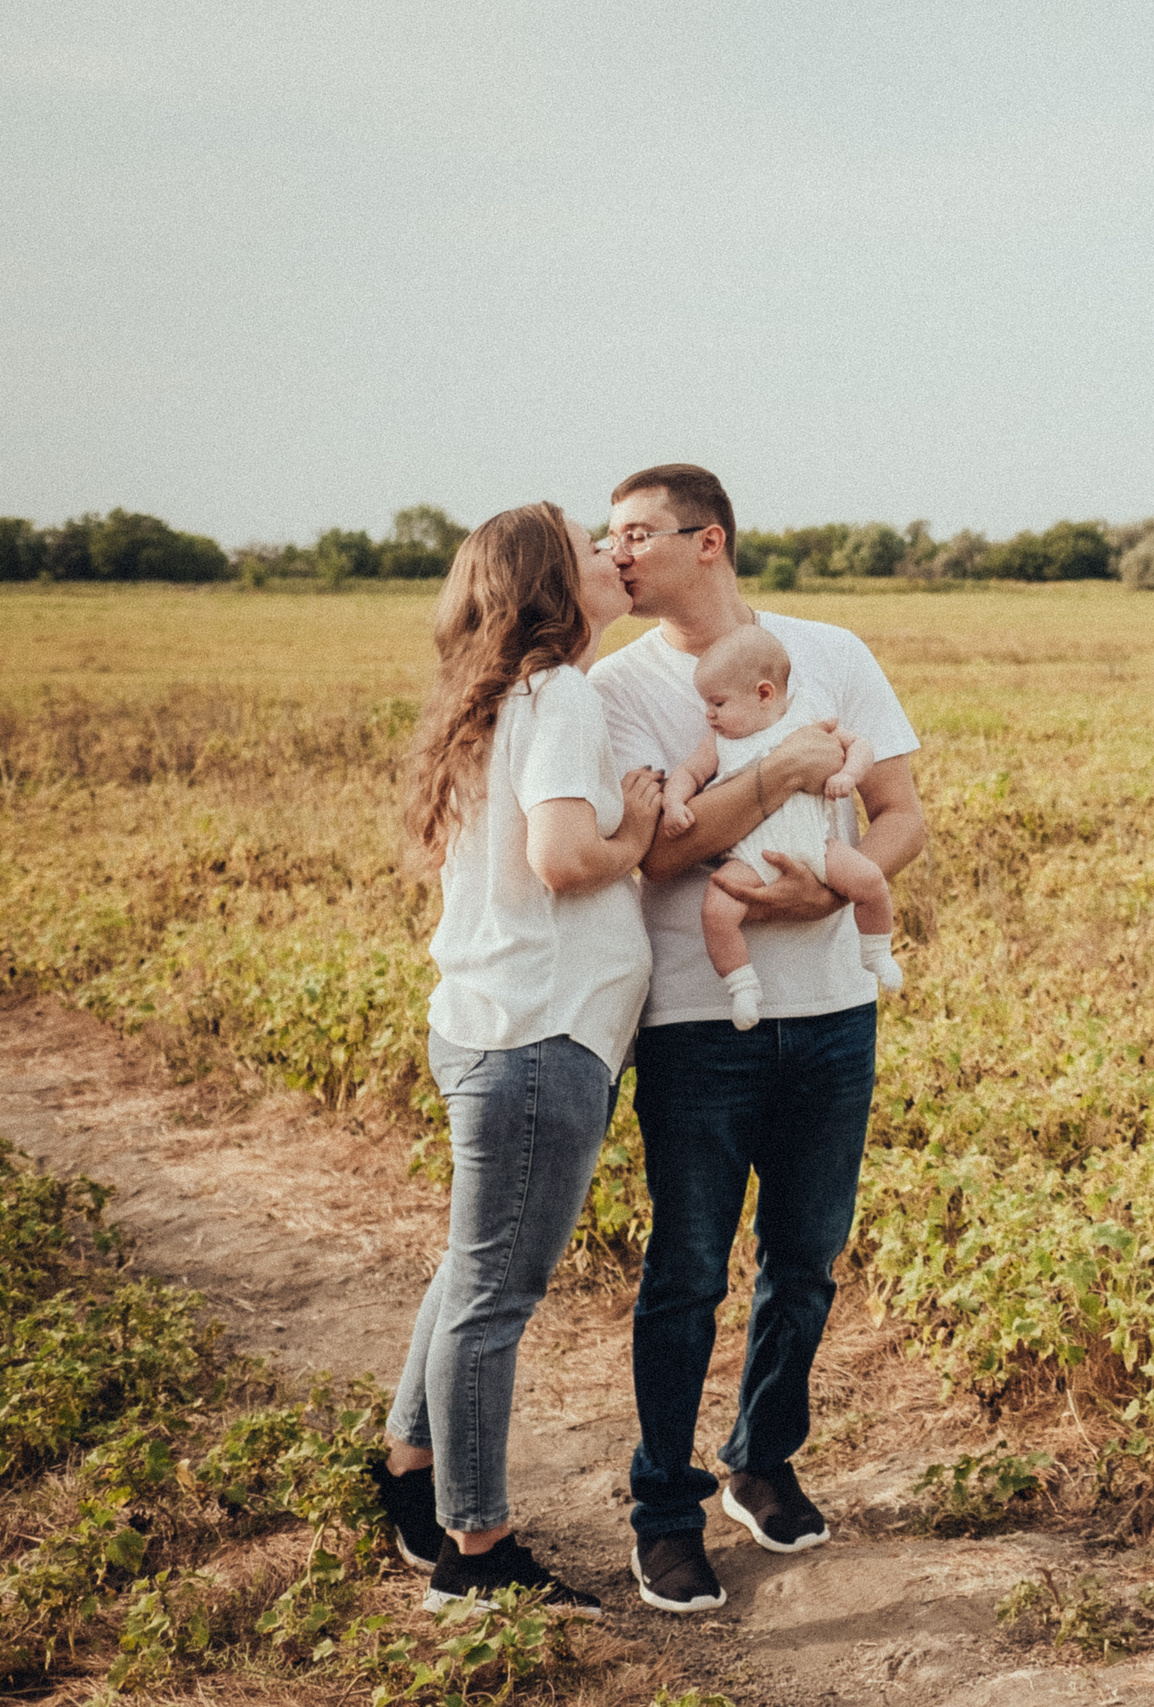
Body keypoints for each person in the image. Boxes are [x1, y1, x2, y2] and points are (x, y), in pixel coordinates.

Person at [589, 464, 925, 1615]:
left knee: (805, 1261)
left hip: (833, 1014)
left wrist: (841, 893)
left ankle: (761, 1458)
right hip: (696, 1022)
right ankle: (664, 1513)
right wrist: (777, 772)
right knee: (683, 1275)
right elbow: (660, 855)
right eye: (607, 535)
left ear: (709, 540)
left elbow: (902, 811)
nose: (614, 553)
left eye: (635, 534)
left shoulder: (831, 650)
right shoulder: (621, 688)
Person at [368, 501, 662, 1616]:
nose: (616, 557)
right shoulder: (561, 693)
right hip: (538, 1036)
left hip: (490, 1024)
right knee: (494, 1295)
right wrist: (633, 828)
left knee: (469, 1265)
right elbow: (564, 857)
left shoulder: (497, 698)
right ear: (553, 580)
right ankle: (475, 1555)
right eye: (596, 548)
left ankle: (408, 1466)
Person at [659, 623, 904, 1029]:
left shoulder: (806, 716)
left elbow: (859, 747)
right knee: (717, 910)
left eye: (718, 703)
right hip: (752, 854)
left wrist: (849, 776)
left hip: (817, 844)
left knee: (870, 880)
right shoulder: (719, 742)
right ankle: (742, 985)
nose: (709, 714)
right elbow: (688, 773)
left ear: (763, 693)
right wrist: (673, 802)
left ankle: (876, 950)